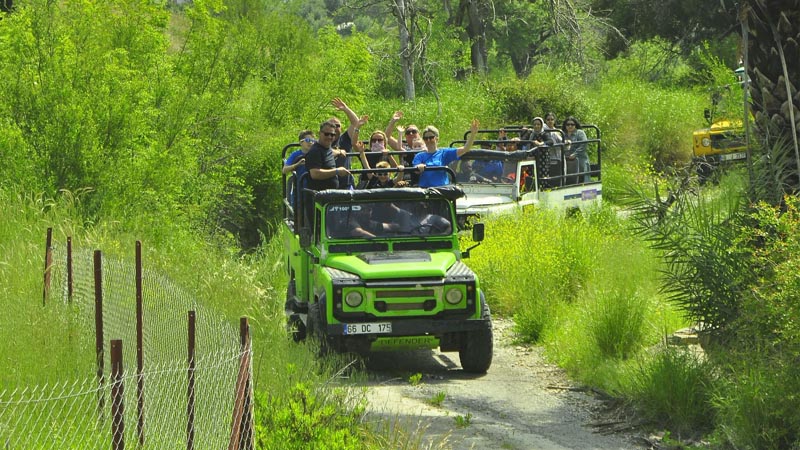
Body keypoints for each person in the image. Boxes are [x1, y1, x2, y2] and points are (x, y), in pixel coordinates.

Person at [412, 119, 479, 188]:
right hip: (425, 190)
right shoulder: (419, 156)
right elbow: (416, 169)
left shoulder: (444, 153)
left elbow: (465, 149)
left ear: (437, 139)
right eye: (426, 138)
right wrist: (419, 167)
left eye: (431, 138)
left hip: (442, 189)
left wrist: (473, 134)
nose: (428, 140)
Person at [329, 97, 367, 188]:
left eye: (337, 125)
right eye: (332, 125)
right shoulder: (323, 142)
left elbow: (356, 123)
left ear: (341, 128)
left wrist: (346, 109)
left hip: (346, 184)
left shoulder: (345, 139)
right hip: (328, 184)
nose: (335, 127)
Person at [282, 130, 315, 207]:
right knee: (299, 210)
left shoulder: (316, 153)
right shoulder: (296, 155)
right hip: (300, 188)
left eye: (313, 141)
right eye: (307, 140)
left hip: (313, 188)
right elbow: (284, 170)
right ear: (301, 142)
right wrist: (297, 164)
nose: (310, 142)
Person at [563, 116, 590, 183]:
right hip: (567, 160)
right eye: (568, 124)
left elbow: (584, 144)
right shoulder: (563, 134)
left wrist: (575, 154)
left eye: (572, 124)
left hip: (580, 159)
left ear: (575, 125)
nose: (570, 126)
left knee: (581, 178)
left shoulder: (580, 133)